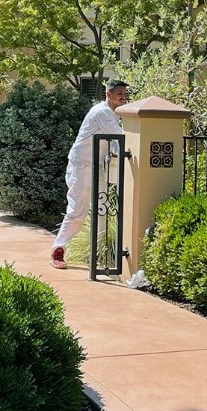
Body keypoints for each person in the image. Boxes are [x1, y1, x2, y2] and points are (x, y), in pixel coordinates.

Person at [50, 78, 129, 268]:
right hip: (82, 167)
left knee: (101, 209)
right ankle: (58, 250)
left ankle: (99, 257)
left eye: (124, 95)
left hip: (96, 167)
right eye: (119, 94)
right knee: (78, 211)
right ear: (108, 95)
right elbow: (120, 139)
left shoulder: (111, 113)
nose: (123, 98)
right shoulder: (102, 112)